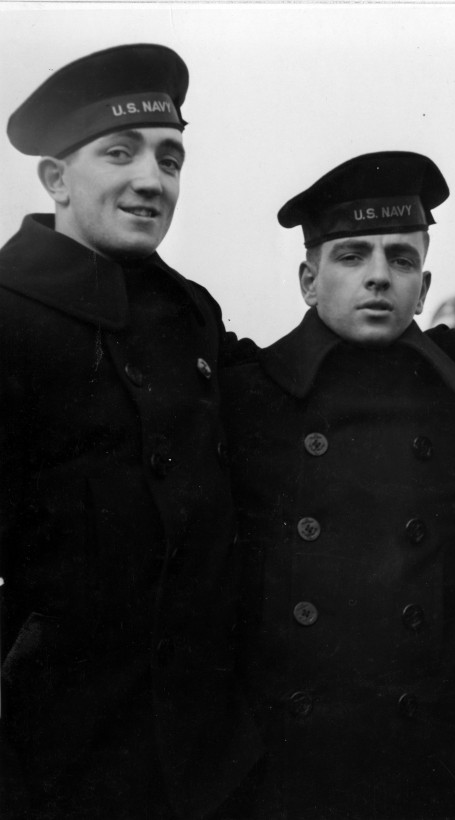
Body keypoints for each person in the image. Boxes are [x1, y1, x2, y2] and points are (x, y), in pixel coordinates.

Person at [220, 151, 455, 818]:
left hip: (416, 762)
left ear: (424, 283)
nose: (380, 277)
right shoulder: (246, 399)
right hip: (284, 765)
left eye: (402, 259)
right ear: (308, 279)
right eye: (352, 256)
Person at [0, 44, 260, 819]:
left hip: (198, 759)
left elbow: (283, 387)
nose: (153, 180)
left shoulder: (190, 314)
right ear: (56, 181)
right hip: (49, 756)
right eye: (121, 153)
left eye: (170, 159)